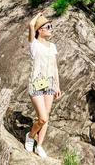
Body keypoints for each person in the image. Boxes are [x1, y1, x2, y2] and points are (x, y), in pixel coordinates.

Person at [24, 11, 62, 158]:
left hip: (50, 84)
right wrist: (38, 15)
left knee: (47, 116)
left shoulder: (52, 46)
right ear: (40, 30)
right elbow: (30, 24)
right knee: (43, 118)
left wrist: (57, 86)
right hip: (36, 84)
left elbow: (55, 67)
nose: (51, 28)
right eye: (48, 26)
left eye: (51, 26)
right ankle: (31, 136)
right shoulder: (34, 44)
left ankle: (39, 146)